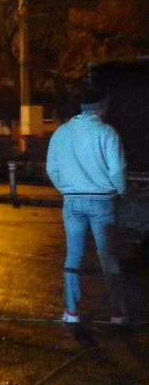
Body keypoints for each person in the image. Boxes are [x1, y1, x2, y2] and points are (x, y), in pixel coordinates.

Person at [45, 87, 129, 327]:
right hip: (102, 200)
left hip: (72, 201)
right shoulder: (106, 132)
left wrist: (66, 189)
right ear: (100, 107)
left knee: (73, 255)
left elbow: (52, 168)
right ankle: (117, 311)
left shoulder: (61, 132)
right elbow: (117, 169)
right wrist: (121, 190)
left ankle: (71, 311)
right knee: (108, 257)